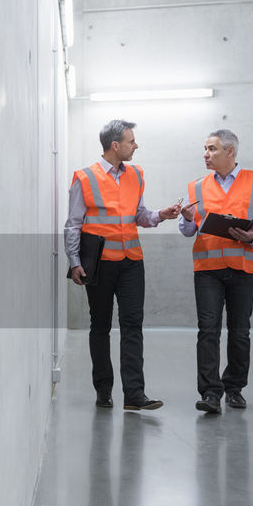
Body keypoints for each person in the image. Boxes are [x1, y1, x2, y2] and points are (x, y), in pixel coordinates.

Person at [65, 119, 182, 411]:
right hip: (100, 265)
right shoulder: (84, 177)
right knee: (100, 326)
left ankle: (134, 395)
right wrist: (75, 262)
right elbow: (73, 225)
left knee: (133, 326)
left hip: (132, 261)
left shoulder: (137, 174)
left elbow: (139, 214)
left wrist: (161, 215)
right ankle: (103, 390)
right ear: (115, 145)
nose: (136, 146)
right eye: (131, 141)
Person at [178, 129, 253, 413]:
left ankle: (234, 388)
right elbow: (188, 230)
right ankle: (210, 393)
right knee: (208, 330)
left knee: (239, 331)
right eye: (205, 149)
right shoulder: (197, 186)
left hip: (244, 268)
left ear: (230, 151)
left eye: (212, 149)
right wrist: (186, 220)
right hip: (208, 269)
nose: (205, 154)